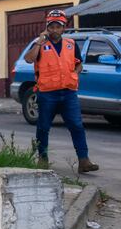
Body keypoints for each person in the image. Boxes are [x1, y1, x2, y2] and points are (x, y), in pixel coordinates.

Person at [31, 9, 98, 173]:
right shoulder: (40, 44)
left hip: (68, 92)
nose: (54, 30)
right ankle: (43, 159)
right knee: (43, 127)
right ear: (47, 27)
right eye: (51, 27)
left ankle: (84, 161)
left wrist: (75, 72)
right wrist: (40, 41)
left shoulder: (71, 44)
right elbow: (29, 58)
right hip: (47, 93)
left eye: (58, 27)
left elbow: (78, 63)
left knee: (76, 125)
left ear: (63, 28)